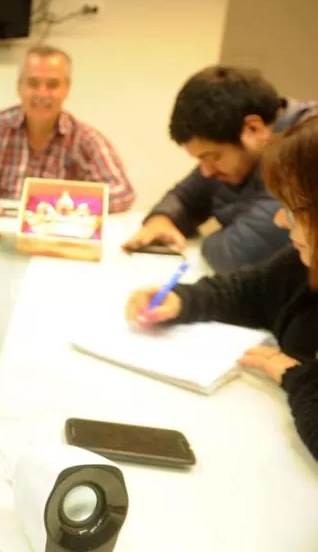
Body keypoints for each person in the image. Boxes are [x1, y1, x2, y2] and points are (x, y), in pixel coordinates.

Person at [125, 111, 318, 460]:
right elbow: (249, 291)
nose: (279, 220)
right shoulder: (301, 266)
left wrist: (295, 375)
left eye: (291, 210)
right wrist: (183, 300)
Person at [123, 66, 317, 273]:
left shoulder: (304, 152)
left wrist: (213, 232)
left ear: (253, 129)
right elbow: (185, 197)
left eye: (213, 157)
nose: (206, 172)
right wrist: (161, 220)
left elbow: (238, 254)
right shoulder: (240, 149)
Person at [0, 45, 136, 213]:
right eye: (33, 83)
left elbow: (122, 192)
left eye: (52, 85)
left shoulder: (85, 139)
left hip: (54, 231)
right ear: (19, 87)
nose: (42, 94)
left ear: (66, 89)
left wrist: (63, 205)